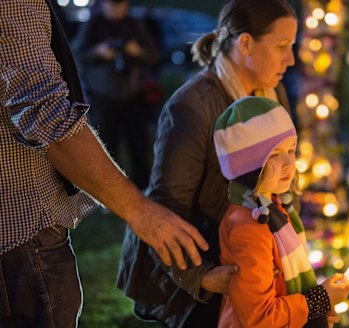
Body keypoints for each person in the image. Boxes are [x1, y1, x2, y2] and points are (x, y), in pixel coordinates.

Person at [0, 1, 207, 327]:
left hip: (129, 99)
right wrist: (140, 212)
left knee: (137, 152)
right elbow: (46, 115)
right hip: (23, 234)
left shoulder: (136, 23)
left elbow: (152, 53)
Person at [117, 0, 299, 326]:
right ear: (245, 43)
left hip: (248, 259)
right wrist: (203, 276)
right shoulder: (193, 108)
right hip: (203, 266)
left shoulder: (272, 94)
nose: (291, 58)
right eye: (282, 46)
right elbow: (166, 210)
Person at [214, 96, 349, 328]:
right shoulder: (249, 227)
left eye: (291, 150)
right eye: (274, 154)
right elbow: (259, 317)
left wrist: (317, 311)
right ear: (247, 165)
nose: (289, 163)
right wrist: (319, 301)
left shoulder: (274, 207)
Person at [73, 0, 160, 189]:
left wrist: (137, 51)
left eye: (120, 5)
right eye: (111, 5)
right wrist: (98, 51)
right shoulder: (94, 24)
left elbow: (153, 54)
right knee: (106, 147)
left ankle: (142, 190)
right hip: (103, 97)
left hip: (133, 95)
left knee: (139, 147)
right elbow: (77, 53)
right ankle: (109, 192)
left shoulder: (135, 24)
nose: (115, 10)